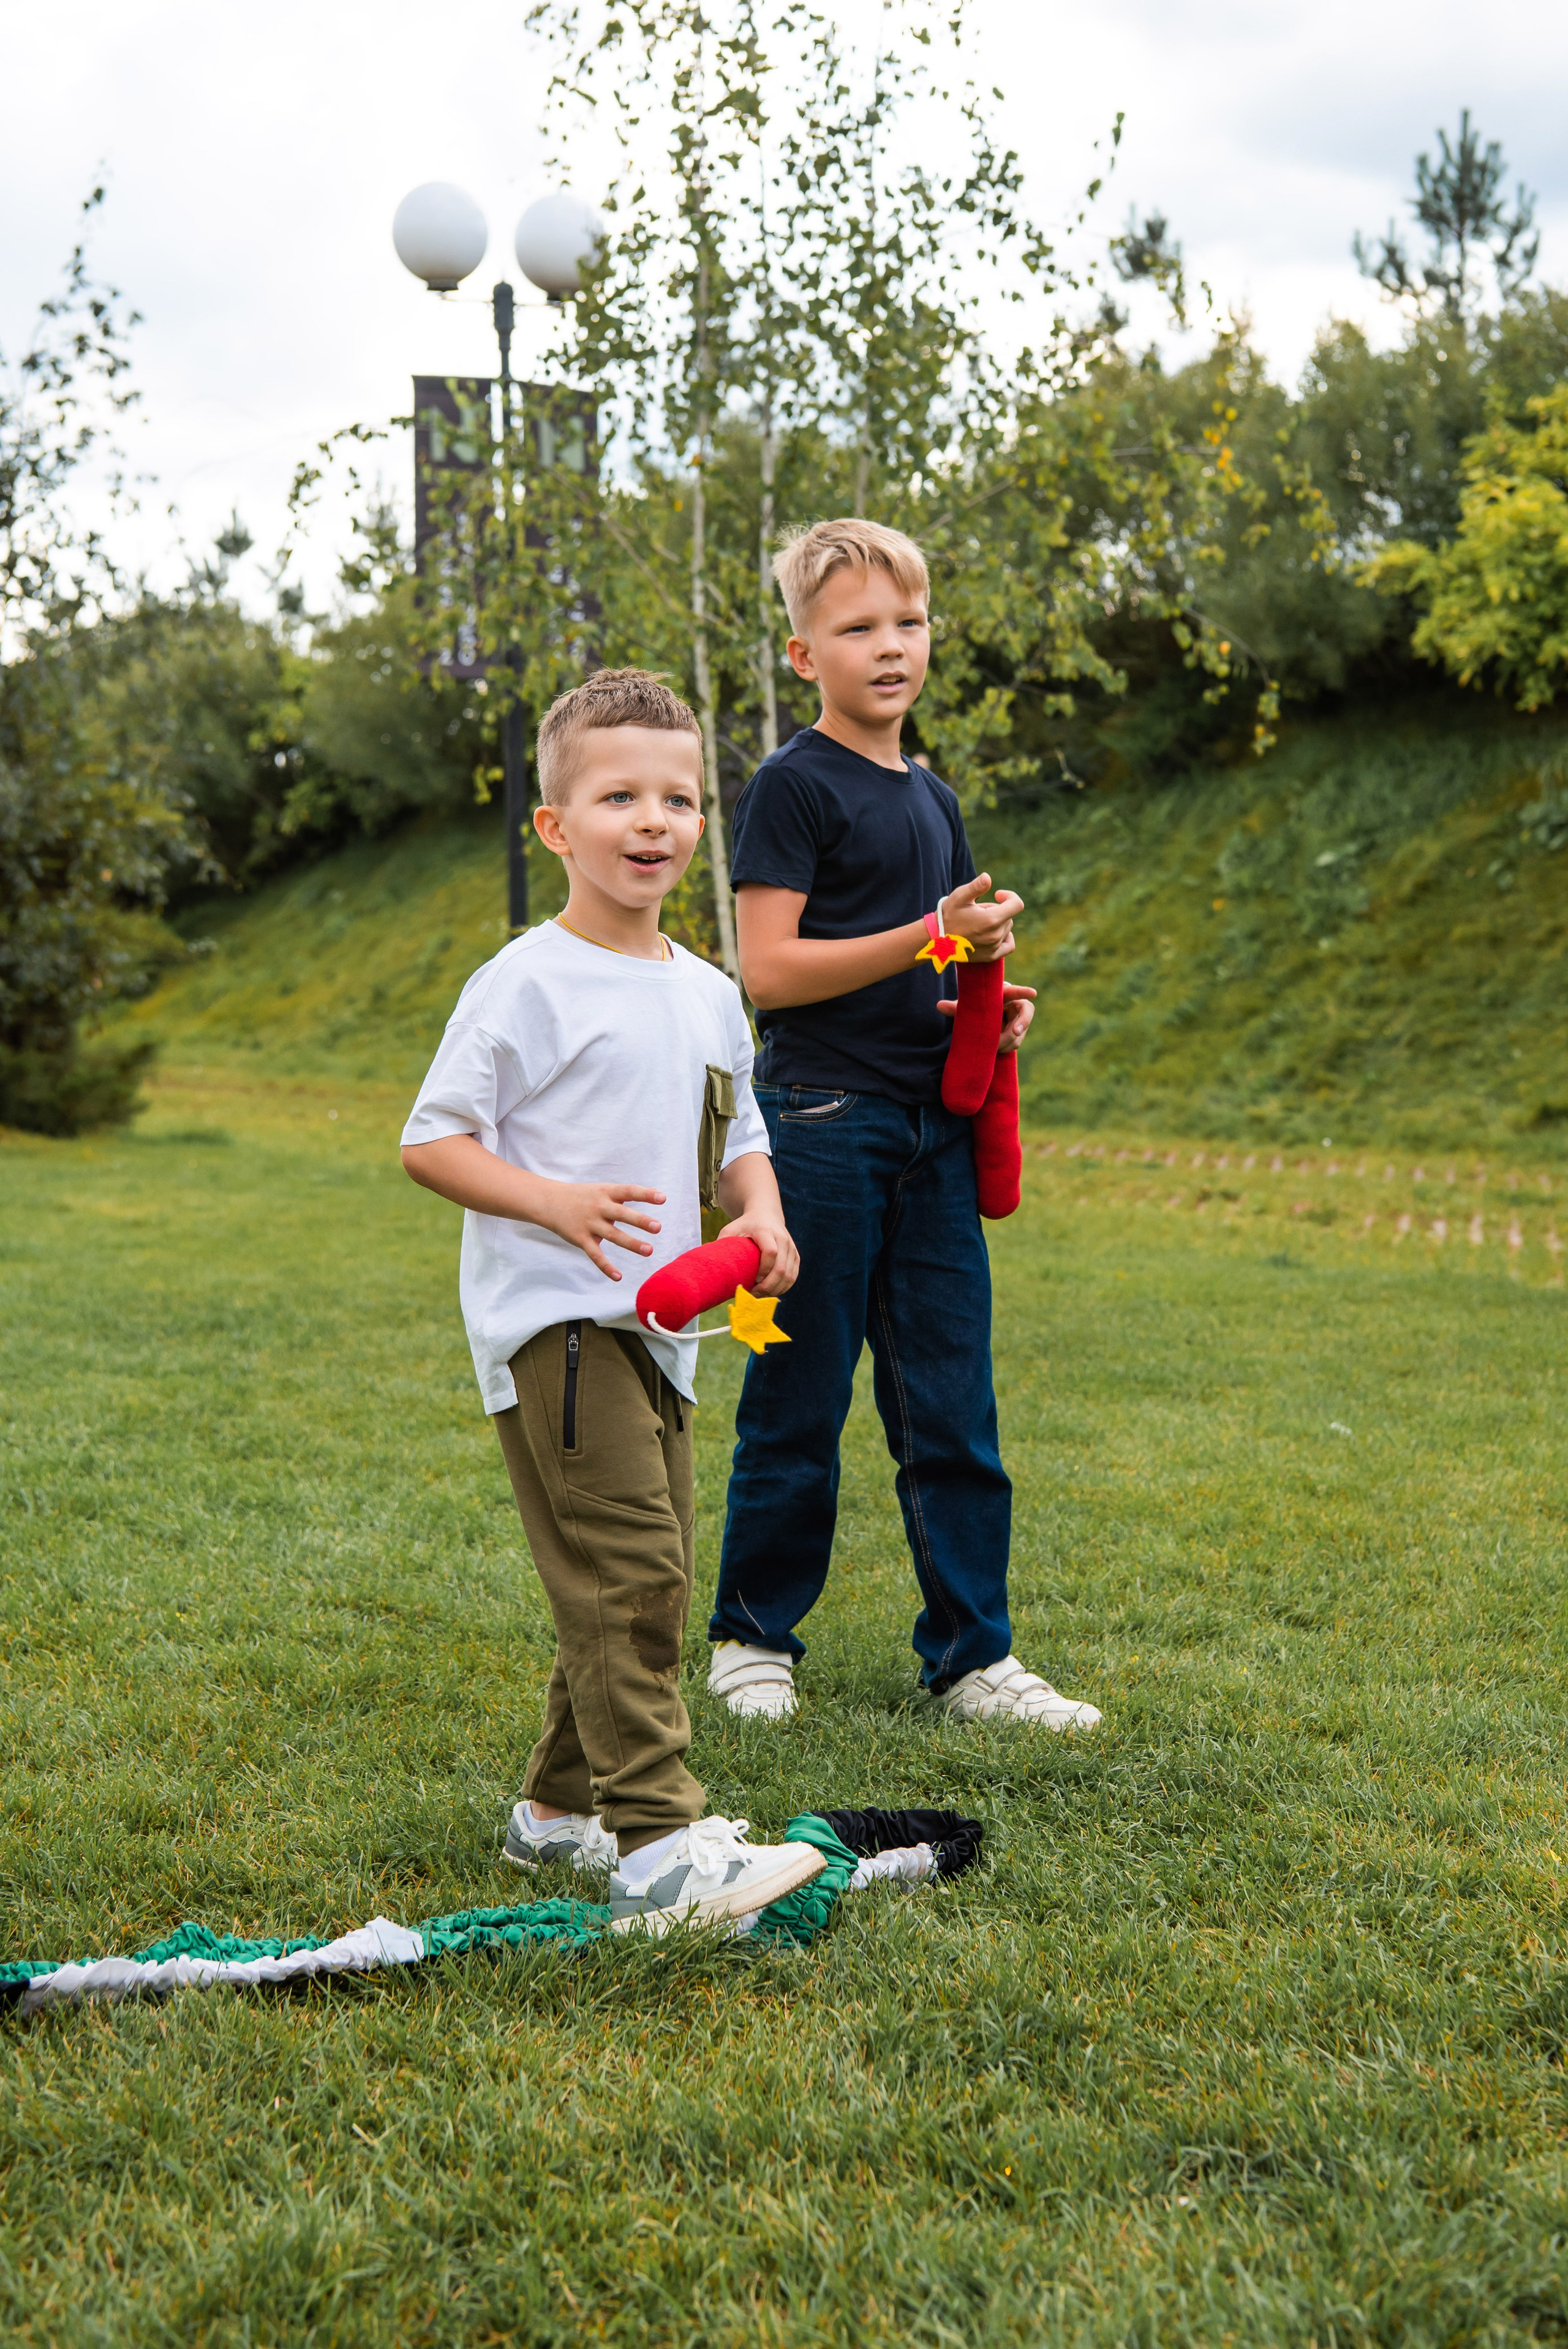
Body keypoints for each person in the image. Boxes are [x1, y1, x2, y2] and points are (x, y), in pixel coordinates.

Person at [400, 668, 824, 1932]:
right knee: (626, 1569)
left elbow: (734, 1120)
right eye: (619, 796)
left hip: (663, 1334)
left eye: (680, 798)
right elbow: (433, 1141)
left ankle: (555, 1811)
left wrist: (762, 1212)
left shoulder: (701, 988)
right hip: (559, 1326)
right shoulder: (525, 981)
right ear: (555, 827)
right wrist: (555, 1202)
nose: (653, 821)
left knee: (635, 1571)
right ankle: (655, 1842)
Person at [707, 519, 1103, 1732]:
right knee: (796, 1391)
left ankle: (972, 1659)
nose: (888, 647)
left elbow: (930, 955)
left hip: (929, 1130)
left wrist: (980, 999)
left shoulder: (931, 797)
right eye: (856, 628)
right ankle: (750, 1638)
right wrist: (934, 936)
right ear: (800, 653)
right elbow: (767, 972)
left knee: (950, 1406)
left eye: (907, 623)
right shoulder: (790, 785)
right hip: (818, 1124)